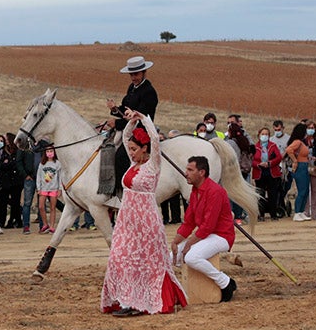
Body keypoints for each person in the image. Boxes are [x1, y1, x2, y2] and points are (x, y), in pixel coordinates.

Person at [101, 110, 186, 316]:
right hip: (127, 220)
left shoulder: (152, 165)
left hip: (146, 220)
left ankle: (137, 303)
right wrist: (131, 121)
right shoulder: (133, 164)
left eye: (134, 149)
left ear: (144, 149)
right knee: (120, 257)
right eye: (129, 149)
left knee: (144, 263)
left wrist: (144, 118)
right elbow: (128, 135)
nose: (130, 152)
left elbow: (155, 139)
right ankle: (125, 298)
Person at [171, 154, 238, 302]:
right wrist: (176, 242)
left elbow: (208, 226)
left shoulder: (215, 191)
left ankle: (225, 283)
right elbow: (189, 222)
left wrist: (188, 244)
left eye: (190, 170)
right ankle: (180, 292)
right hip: (206, 236)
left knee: (191, 257)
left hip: (222, 236)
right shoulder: (195, 191)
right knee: (170, 258)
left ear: (201, 172)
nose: (185, 173)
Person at [104, 56, 158, 185]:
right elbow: (126, 111)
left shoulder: (149, 91)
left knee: (121, 157)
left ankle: (122, 190)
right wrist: (115, 109)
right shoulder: (132, 88)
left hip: (141, 132)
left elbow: (139, 117)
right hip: (128, 129)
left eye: (136, 74)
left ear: (144, 73)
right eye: (131, 74)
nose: (133, 77)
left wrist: (116, 123)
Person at [251, 127, 283, 221]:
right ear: (259, 135)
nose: (264, 136)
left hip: (271, 172)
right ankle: (261, 215)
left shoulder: (273, 146)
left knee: (272, 194)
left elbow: (279, 157)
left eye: (266, 134)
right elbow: (251, 160)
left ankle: (273, 214)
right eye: (263, 134)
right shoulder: (255, 147)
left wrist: (270, 163)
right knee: (260, 195)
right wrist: (258, 164)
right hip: (259, 173)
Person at [285, 124, 312, 222]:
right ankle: (297, 212)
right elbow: (288, 150)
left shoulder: (301, 142)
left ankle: (301, 211)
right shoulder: (297, 142)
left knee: (305, 190)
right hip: (300, 167)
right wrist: (295, 160)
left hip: (304, 166)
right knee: (302, 190)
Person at [35, 145, 61, 233]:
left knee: (53, 207)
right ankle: (45, 224)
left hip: (54, 188)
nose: (49, 153)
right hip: (43, 188)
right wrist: (38, 187)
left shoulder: (57, 163)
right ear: (45, 153)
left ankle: (52, 226)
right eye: (48, 151)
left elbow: (60, 177)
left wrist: (60, 189)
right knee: (41, 206)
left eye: (51, 151)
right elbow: (38, 176)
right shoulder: (42, 163)